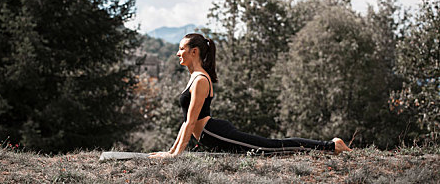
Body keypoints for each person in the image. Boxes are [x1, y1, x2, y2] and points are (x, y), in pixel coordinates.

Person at [149, 33, 352, 158]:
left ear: (194, 52)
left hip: (215, 133)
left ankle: (332, 146)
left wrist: (174, 155)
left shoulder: (201, 80)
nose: (177, 53)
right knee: (269, 148)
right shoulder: (195, 77)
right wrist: (171, 152)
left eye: (181, 49)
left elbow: (192, 122)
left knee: (272, 148)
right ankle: (332, 145)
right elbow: (186, 122)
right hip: (213, 133)